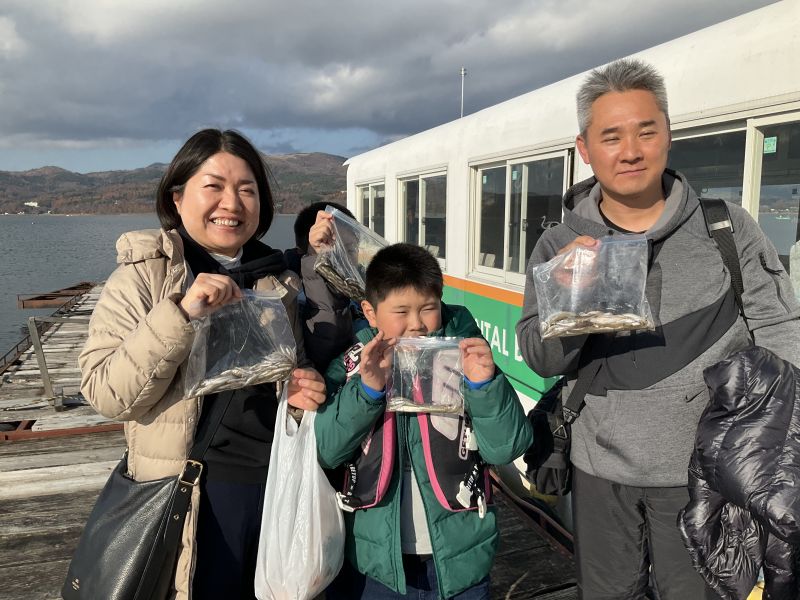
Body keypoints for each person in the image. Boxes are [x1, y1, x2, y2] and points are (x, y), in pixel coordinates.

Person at [516, 59, 800, 599]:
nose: (631, 151)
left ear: (668, 134)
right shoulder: (559, 244)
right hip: (598, 469)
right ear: (584, 148)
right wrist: (572, 301)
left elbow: (780, 325)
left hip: (707, 472)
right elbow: (540, 357)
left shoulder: (726, 227)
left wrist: (768, 435)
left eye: (646, 131)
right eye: (611, 136)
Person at [79, 129, 331, 600]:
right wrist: (180, 313)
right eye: (213, 186)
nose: (231, 203)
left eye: (247, 189)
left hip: (276, 482)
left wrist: (301, 390)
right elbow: (106, 394)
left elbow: (292, 370)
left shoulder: (277, 279)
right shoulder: (144, 278)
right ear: (176, 198)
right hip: (193, 489)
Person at [316, 243, 534, 600]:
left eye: (428, 308)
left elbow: (506, 448)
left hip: (460, 560)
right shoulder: (352, 364)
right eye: (401, 311)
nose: (417, 324)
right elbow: (327, 450)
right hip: (376, 563)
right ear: (370, 312)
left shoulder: (466, 354)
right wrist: (367, 391)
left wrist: (484, 386)